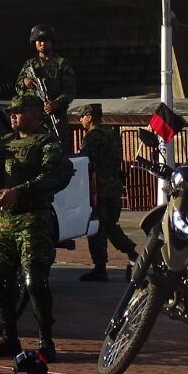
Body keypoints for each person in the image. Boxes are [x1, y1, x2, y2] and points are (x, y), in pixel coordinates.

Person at [0, 94, 72, 361]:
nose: (13, 116)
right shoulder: (3, 142)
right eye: (11, 111)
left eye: (20, 111)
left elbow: (54, 176)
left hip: (32, 220)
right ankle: (9, 338)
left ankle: (46, 342)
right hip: (3, 222)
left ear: (37, 114)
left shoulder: (47, 143)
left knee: (34, 281)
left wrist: (20, 191)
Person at [76, 103, 137, 282]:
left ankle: (101, 266)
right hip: (114, 186)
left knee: (96, 228)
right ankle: (132, 253)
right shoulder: (112, 134)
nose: (80, 120)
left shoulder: (91, 137)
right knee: (109, 225)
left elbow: (86, 162)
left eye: (82, 117)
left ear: (89, 116)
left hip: (98, 188)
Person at [18, 25, 76, 127]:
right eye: (39, 41)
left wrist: (56, 103)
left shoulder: (61, 64)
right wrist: (24, 81)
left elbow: (70, 90)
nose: (43, 43)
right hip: (33, 118)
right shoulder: (29, 64)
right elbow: (18, 87)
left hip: (56, 115)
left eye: (46, 40)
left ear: (51, 42)